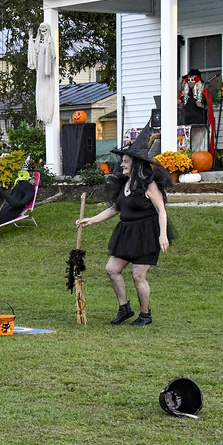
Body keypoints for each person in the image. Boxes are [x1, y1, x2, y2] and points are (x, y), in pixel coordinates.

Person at [77, 123, 173, 326]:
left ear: (136, 164)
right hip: (127, 232)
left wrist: (163, 235)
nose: (121, 165)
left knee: (138, 275)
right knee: (112, 269)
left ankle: (145, 315)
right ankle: (124, 307)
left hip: (146, 233)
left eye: (126, 162)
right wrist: (90, 220)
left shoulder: (149, 184)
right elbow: (114, 209)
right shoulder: (124, 183)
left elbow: (161, 210)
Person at [0, 165, 36, 230]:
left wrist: (1, 192)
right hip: (6, 207)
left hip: (12, 211)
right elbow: (12, 199)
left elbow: (18, 204)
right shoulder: (20, 185)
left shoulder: (28, 188)